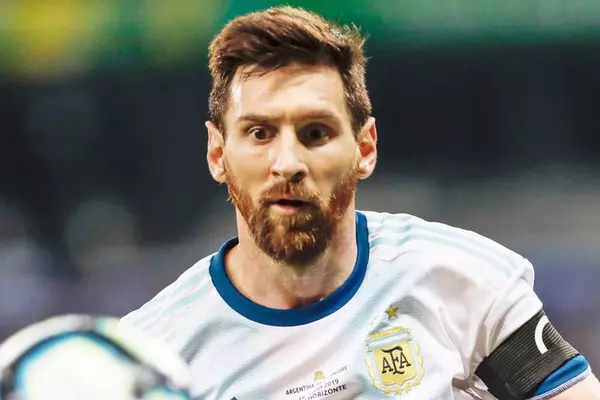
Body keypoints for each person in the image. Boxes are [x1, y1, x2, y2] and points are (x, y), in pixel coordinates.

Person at [121, 6, 600, 400]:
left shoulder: (464, 278)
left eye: (315, 133)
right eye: (260, 133)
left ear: (365, 148)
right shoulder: (151, 357)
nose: (287, 163)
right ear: (218, 154)